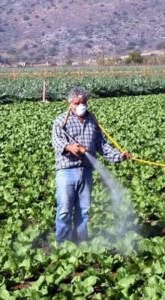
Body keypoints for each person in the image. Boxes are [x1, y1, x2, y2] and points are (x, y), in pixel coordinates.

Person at [51, 86, 131, 243]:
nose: (81, 105)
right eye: (77, 103)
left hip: (86, 170)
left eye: (84, 102)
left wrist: (120, 156)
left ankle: (81, 242)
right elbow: (56, 141)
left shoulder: (92, 121)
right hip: (67, 170)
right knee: (64, 211)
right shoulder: (61, 121)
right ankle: (62, 245)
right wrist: (69, 147)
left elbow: (102, 145)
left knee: (84, 210)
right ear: (69, 103)